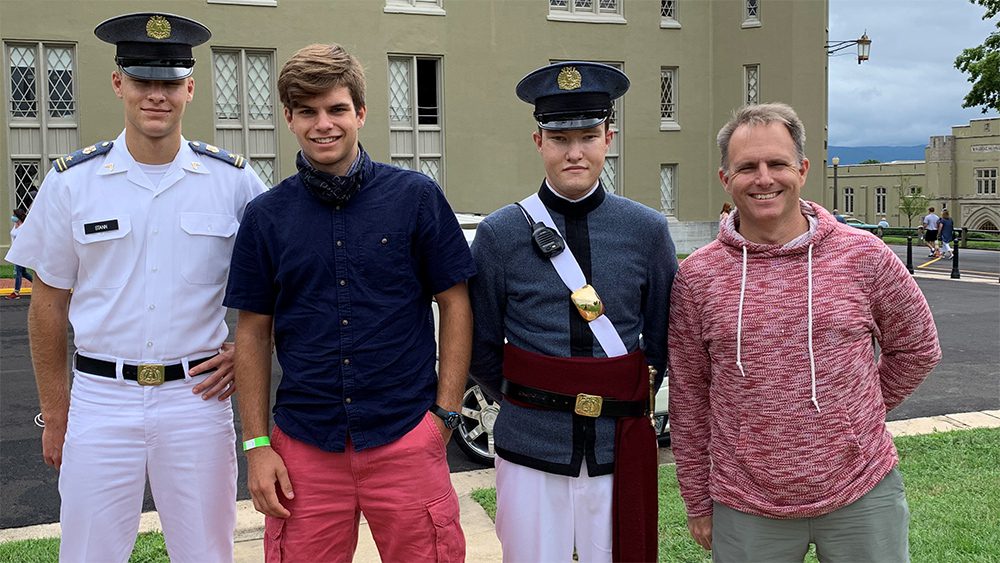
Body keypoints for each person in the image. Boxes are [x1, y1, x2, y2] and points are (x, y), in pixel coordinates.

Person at [4, 13, 268, 562]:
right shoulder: (71, 182)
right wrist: (56, 414)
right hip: (100, 400)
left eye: (170, 82)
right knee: (88, 553)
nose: (156, 96)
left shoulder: (234, 182)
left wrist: (240, 354)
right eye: (143, 81)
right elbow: (47, 306)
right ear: (118, 82)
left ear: (190, 89)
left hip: (196, 400)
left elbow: (282, 282)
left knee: (206, 553)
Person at [224, 43, 474, 562]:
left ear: (360, 112)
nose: (324, 124)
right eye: (308, 112)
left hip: (405, 436)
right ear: (289, 118)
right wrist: (256, 445)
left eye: (337, 109)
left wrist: (445, 414)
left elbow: (455, 303)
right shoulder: (265, 218)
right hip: (304, 448)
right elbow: (251, 331)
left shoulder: (416, 197)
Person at [668, 102, 941, 562]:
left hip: (862, 490)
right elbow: (690, 395)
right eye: (747, 167)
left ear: (803, 169)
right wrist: (697, 499)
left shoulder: (864, 256)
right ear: (725, 179)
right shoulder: (698, 277)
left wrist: (855, 413)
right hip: (746, 502)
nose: (764, 178)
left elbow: (917, 348)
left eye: (777, 163)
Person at [469, 62, 677, 562]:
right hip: (531, 445)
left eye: (588, 136)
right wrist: (536, 397)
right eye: (560, 139)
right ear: (539, 141)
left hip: (616, 444)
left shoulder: (646, 230)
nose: (575, 152)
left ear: (609, 136)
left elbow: (661, 338)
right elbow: (482, 346)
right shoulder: (499, 235)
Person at [5, 208, 32, 299]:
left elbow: (24, 241)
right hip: (15, 251)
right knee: (23, 272)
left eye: (14, 215)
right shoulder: (15, 225)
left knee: (18, 272)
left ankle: (16, 292)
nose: (12, 217)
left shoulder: (23, 227)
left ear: (18, 217)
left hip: (20, 252)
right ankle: (37, 285)